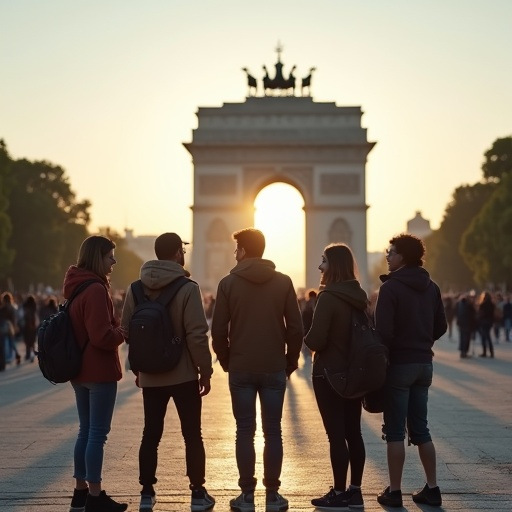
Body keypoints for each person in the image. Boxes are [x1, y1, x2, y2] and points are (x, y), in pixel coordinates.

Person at [121, 232, 215, 512]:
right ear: (177, 253)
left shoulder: (135, 288)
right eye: (183, 249)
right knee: (192, 434)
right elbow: (197, 334)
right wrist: (206, 370)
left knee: (151, 433)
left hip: (150, 376)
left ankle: (147, 492)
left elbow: (127, 329)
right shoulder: (188, 288)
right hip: (183, 373)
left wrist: (142, 364)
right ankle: (198, 492)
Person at [211, 228, 303, 512]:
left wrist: (227, 360)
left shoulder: (228, 284)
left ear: (243, 251)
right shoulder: (284, 282)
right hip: (274, 365)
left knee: (244, 431)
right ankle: (273, 495)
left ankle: (247, 495)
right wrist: (290, 361)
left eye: (236, 247)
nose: (234, 253)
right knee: (273, 431)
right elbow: (296, 328)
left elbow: (217, 330)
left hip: (241, 366)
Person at [374, 234, 447, 508]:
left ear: (402, 256)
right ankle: (432, 487)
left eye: (390, 251)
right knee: (421, 429)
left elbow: (383, 332)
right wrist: (422, 341)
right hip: (423, 364)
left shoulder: (390, 289)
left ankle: (394, 491)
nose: (387, 255)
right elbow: (441, 326)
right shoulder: (432, 287)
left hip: (399, 366)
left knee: (394, 431)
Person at [63, 235, 127, 512]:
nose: (113, 261)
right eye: (109, 256)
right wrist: (122, 331)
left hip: (79, 371)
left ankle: (80, 492)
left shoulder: (76, 287)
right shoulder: (96, 290)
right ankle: (96, 496)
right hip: (99, 370)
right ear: (97, 258)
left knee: (85, 432)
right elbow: (101, 336)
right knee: (97, 434)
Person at [304, 244, 368, 509]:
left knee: (335, 436)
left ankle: (339, 492)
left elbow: (316, 340)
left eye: (324, 261)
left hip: (328, 375)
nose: (320, 267)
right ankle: (355, 491)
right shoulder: (359, 295)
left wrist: (303, 337)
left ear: (334, 266)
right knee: (354, 432)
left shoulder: (328, 297)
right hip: (355, 373)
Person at [0, 291, 21, 369]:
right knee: (12, 342)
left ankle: (4, 359)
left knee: (3, 344)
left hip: (2, 327)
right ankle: (17, 354)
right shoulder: (13, 307)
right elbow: (14, 318)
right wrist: (15, 326)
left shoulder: (2, 308)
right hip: (11, 327)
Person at [477, 292, 495, 358]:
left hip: (483, 322)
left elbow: (480, 314)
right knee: (488, 337)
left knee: (484, 337)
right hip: (489, 322)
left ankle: (484, 351)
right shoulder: (492, 304)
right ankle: (491, 352)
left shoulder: (482, 304)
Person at [21, 294, 39, 362]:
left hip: (26, 326)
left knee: (27, 341)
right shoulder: (34, 306)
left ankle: (28, 354)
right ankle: (32, 353)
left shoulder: (25, 307)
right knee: (32, 341)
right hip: (33, 325)